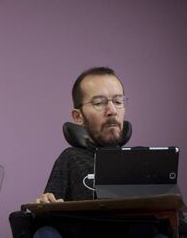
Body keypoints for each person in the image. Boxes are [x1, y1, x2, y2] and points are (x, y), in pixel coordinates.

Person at [33, 67, 170, 238]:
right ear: (78, 116)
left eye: (118, 101)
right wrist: (44, 204)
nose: (112, 110)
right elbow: (47, 215)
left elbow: (173, 219)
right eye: (99, 103)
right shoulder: (70, 158)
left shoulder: (144, 160)